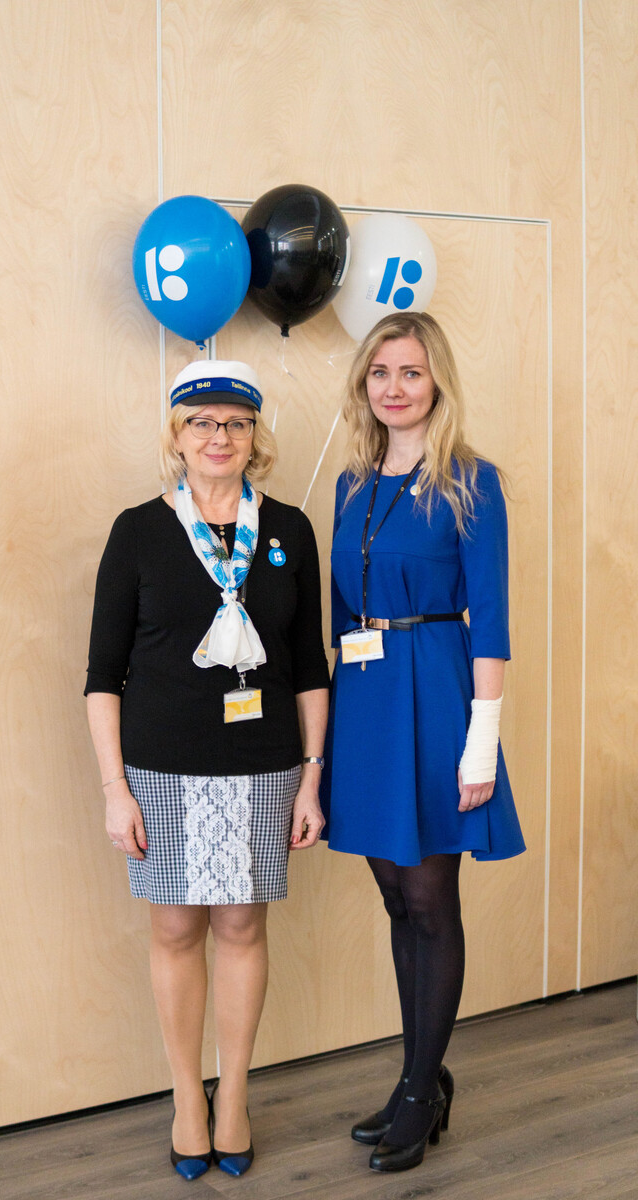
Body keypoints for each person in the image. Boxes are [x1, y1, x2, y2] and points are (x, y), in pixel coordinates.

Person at [85, 360, 330, 1180]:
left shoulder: (289, 530)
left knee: (242, 928)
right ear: (178, 435)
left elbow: (309, 668)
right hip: (160, 768)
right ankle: (188, 1099)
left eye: (236, 422)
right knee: (175, 930)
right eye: (202, 422)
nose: (219, 436)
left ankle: (235, 1099)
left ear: (255, 435)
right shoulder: (138, 530)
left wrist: (312, 776)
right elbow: (102, 676)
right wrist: (115, 791)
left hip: (264, 765)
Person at [321, 312, 525, 1174]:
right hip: (366, 700)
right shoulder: (350, 485)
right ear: (364, 385)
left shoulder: (472, 482)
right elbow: (339, 615)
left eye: (410, 372)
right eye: (380, 373)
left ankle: (418, 1090)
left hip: (439, 691)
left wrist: (482, 740)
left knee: (432, 899)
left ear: (436, 379)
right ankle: (422, 1076)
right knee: (396, 899)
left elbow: (492, 622)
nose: (394, 388)